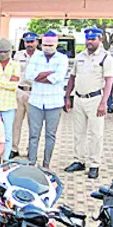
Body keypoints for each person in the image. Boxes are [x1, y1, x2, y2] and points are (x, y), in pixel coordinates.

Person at [64, 27, 113, 179]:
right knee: (78, 133)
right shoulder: (80, 56)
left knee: (96, 134)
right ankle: (78, 160)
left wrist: (104, 102)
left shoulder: (106, 58)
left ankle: (94, 164)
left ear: (100, 39)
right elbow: (72, 78)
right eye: (88, 39)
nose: (90, 42)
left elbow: (109, 81)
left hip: (95, 100)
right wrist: (67, 97)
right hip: (79, 98)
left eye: (93, 39)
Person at [24, 31, 68, 169]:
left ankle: (46, 164)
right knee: (33, 135)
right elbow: (29, 76)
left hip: (54, 103)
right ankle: (31, 163)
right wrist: (48, 74)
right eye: (45, 45)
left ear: (56, 44)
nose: (48, 47)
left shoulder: (62, 58)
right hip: (35, 102)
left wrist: (40, 76)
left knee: (50, 135)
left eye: (50, 45)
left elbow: (57, 78)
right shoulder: (36, 57)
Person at [0, 38, 20, 161]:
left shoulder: (15, 66)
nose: (2, 54)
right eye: (0, 52)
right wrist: (6, 82)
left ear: (10, 51)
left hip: (9, 105)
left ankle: (5, 159)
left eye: (5, 51)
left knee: (7, 133)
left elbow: (14, 86)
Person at [10, 31, 39, 159]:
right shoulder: (18, 55)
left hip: (34, 92)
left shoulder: (41, 56)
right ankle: (14, 148)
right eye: (27, 42)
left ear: (37, 42)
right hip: (19, 91)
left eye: (32, 42)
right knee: (16, 123)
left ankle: (31, 150)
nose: (29, 44)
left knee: (33, 124)